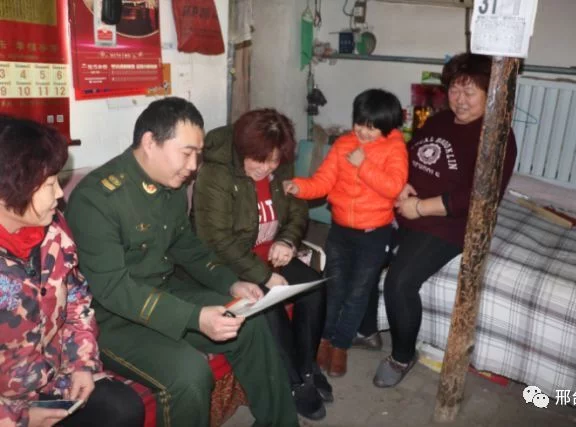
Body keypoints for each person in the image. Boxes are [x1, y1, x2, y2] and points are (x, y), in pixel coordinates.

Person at [65, 98, 299, 427]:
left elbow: (187, 246)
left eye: (197, 154)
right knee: (189, 375)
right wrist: (194, 317)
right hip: (111, 317)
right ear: (150, 142)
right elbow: (114, 289)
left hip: (165, 290)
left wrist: (231, 282)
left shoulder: (172, 182)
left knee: (249, 322)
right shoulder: (97, 199)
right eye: (186, 153)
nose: (193, 165)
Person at [371, 53, 518, 388]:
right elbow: (408, 153)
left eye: (470, 92)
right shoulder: (439, 120)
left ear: (490, 95)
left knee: (399, 282)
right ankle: (366, 329)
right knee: (359, 249)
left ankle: (402, 356)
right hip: (404, 206)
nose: (459, 99)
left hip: (446, 223)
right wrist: (399, 183)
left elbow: (479, 197)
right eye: (455, 89)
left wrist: (421, 207)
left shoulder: (498, 137)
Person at [0, 116, 144, 427]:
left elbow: (77, 301)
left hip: (53, 378)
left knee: (123, 408)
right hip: (7, 406)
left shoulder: (53, 230)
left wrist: (82, 365)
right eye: (48, 184)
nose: (59, 195)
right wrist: (20, 419)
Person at [192, 109, 331, 420]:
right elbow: (216, 240)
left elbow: (297, 211)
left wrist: (288, 241)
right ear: (243, 149)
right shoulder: (216, 173)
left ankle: (307, 369)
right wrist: (264, 276)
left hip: (270, 254)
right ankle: (293, 383)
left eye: (274, 161)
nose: (267, 167)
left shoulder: (279, 165)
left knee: (314, 289)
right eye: (260, 160)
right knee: (268, 304)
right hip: (232, 261)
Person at [284, 88, 408, 378]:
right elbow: (323, 182)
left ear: (387, 127)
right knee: (334, 289)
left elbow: (393, 187)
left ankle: (341, 346)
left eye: (372, 127)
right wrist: (299, 186)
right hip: (340, 231)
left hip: (374, 234)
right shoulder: (343, 144)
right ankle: (324, 341)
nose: (363, 131)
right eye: (360, 123)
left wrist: (363, 165)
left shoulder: (395, 148)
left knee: (358, 293)